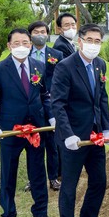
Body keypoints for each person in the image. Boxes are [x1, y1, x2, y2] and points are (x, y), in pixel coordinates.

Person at [0, 28, 57, 217]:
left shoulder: (39, 66)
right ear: (9, 46)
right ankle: (8, 216)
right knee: (9, 174)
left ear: (31, 45)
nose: (21, 47)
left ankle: (40, 212)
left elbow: (44, 95)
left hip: (36, 129)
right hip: (10, 131)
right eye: (16, 43)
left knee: (38, 172)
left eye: (25, 43)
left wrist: (51, 117)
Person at [50, 23, 109, 217]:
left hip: (95, 136)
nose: (94, 45)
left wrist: (106, 128)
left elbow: (102, 98)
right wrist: (68, 134)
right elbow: (58, 103)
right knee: (69, 188)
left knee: (99, 182)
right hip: (73, 138)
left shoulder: (100, 65)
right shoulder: (65, 67)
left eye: (98, 41)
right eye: (90, 40)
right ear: (80, 41)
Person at [27, 20, 64, 192]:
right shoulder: (24, 54)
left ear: (47, 34)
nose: (39, 35)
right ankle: (33, 179)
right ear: (30, 34)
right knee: (33, 144)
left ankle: (53, 177)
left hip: (52, 103)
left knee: (52, 144)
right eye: (36, 32)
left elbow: (62, 78)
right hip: (31, 105)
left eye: (43, 32)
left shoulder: (57, 54)